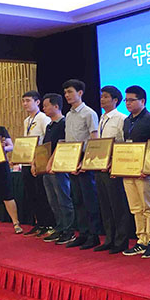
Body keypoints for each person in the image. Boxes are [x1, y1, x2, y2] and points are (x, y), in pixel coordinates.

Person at [61, 79, 102, 250]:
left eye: (70, 92)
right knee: (77, 199)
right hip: (72, 158)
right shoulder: (69, 115)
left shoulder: (89, 113)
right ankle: (83, 233)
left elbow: (94, 140)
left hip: (85, 159)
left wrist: (86, 162)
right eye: (65, 92)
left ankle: (94, 235)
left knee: (89, 200)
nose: (67, 95)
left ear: (80, 92)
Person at [121, 85, 150, 258]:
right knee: (136, 207)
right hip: (129, 170)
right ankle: (141, 240)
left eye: (132, 100)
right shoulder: (127, 121)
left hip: (145, 171)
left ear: (142, 101)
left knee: (149, 207)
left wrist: (149, 167)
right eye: (126, 100)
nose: (128, 103)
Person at [93, 85, 131, 253]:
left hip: (113, 167)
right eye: (101, 96)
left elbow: (123, 144)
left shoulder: (121, 118)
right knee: (105, 205)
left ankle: (121, 241)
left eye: (106, 97)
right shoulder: (102, 118)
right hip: (99, 166)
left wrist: (114, 162)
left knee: (118, 205)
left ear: (115, 100)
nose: (102, 99)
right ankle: (109, 238)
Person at [39, 93, 76, 245]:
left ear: (56, 106)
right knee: (53, 200)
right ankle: (59, 227)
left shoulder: (64, 123)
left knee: (63, 199)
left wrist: (51, 162)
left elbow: (61, 144)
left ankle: (69, 230)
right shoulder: (49, 125)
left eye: (46, 105)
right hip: (47, 168)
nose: (43, 108)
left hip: (59, 167)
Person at [19, 90, 55, 237]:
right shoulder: (27, 121)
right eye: (23, 101)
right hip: (28, 161)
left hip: (40, 161)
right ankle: (39, 223)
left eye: (28, 100)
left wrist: (37, 160)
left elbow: (46, 141)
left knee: (42, 194)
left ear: (37, 102)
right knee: (31, 194)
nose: (25, 104)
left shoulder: (43, 118)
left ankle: (49, 224)